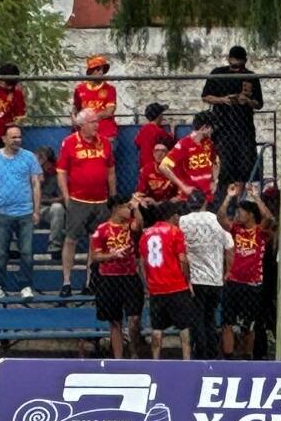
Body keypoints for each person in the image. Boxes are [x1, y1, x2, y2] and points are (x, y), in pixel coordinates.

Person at [57, 109, 116, 297]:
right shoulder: (70, 142)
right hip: (78, 200)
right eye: (92, 122)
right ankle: (67, 281)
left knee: (95, 241)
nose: (96, 125)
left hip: (101, 200)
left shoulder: (104, 142)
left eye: (97, 122)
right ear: (81, 125)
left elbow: (111, 171)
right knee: (71, 239)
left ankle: (90, 280)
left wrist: (112, 196)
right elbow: (62, 171)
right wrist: (66, 196)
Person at [0, 125, 42, 300]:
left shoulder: (29, 157)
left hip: (25, 212)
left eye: (19, 137)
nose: (17, 140)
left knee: (27, 252)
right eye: (13, 137)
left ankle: (26, 286)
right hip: (1, 212)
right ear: (4, 139)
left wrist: (36, 210)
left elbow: (36, 184)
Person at [218, 184, 275, 359]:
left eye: (241, 212)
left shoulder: (260, 231)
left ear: (250, 214)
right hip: (234, 282)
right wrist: (228, 197)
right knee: (227, 323)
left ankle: (247, 356)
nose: (238, 215)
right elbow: (220, 218)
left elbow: (269, 218)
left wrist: (256, 197)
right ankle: (228, 358)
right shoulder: (236, 230)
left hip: (252, 285)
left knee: (248, 325)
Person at [179, 189, 233, 359]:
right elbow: (230, 247)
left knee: (197, 318)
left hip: (194, 278)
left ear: (189, 204)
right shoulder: (215, 219)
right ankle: (211, 352)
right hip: (215, 277)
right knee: (209, 318)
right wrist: (228, 271)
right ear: (204, 202)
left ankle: (200, 353)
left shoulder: (182, 221)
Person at [89, 196, 144, 359]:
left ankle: (134, 353)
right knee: (114, 321)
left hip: (130, 276)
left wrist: (137, 208)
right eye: (126, 207)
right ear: (116, 209)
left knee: (134, 318)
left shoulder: (130, 225)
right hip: (109, 279)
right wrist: (111, 255)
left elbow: (139, 225)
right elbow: (96, 257)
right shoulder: (102, 229)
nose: (129, 211)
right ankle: (118, 358)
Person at [139, 201, 195, 360]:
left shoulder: (146, 233)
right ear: (172, 216)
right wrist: (187, 280)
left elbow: (142, 262)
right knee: (184, 327)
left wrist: (148, 282)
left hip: (156, 288)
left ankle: (156, 360)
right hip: (176, 286)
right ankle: (186, 360)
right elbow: (183, 259)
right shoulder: (175, 232)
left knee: (157, 328)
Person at [201, 45, 263, 186]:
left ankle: (239, 201)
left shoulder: (251, 76)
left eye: (239, 66)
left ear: (245, 61)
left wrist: (247, 101)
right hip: (223, 128)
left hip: (244, 129)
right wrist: (223, 100)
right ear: (228, 59)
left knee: (245, 167)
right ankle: (225, 198)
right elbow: (205, 97)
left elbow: (259, 104)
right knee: (224, 166)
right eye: (233, 66)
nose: (236, 69)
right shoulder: (218, 73)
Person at [160, 112, 218, 198]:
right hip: (191, 197)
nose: (213, 131)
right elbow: (163, 166)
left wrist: (214, 181)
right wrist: (183, 187)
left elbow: (216, 161)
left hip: (208, 196)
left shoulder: (208, 143)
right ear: (205, 127)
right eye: (212, 128)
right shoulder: (184, 144)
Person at [73, 55, 118, 143]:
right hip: (85, 133)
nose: (101, 72)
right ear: (90, 71)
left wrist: (90, 118)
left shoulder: (109, 89)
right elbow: (76, 109)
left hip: (105, 133)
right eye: (97, 69)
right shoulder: (79, 89)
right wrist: (74, 120)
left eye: (102, 70)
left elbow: (109, 111)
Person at [34, 146, 65, 258]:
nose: (42, 166)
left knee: (57, 207)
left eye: (44, 163)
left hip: (46, 209)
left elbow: (62, 199)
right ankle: (15, 248)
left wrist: (42, 200)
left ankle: (55, 246)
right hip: (29, 209)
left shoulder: (58, 175)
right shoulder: (29, 174)